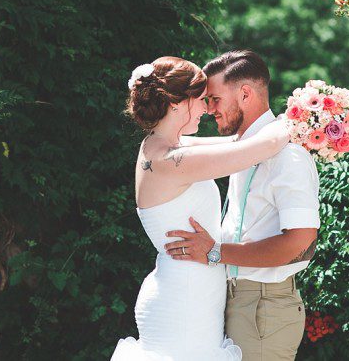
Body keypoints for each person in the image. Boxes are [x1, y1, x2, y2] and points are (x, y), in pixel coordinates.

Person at [111, 56, 292, 360]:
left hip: (188, 296)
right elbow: (262, 147)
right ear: (177, 103)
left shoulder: (160, 147)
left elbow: (237, 140)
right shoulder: (170, 161)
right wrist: (308, 115)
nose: (208, 109)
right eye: (201, 99)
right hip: (185, 305)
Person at [163, 50, 320, 360]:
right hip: (237, 300)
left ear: (245, 94)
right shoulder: (244, 150)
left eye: (215, 99)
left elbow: (302, 242)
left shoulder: (288, 157)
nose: (209, 110)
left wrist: (215, 251)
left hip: (265, 309)